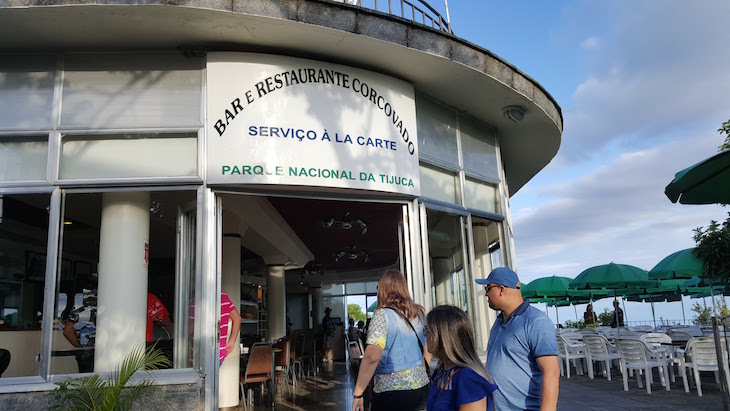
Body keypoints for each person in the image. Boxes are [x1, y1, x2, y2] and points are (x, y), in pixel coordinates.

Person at [475, 267, 559, 411]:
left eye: (488, 289)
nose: (485, 294)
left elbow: (551, 372)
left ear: (501, 289)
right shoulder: (499, 322)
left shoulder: (536, 321)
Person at [352, 269, 430, 411]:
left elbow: (371, 357)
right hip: (422, 387)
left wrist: (358, 393)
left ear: (382, 290)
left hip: (392, 391)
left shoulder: (383, 315)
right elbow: (428, 348)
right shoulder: (419, 313)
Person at [425, 305, 498, 411]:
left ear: (442, 336)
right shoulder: (442, 370)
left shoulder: (468, 379)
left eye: (427, 329)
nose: (425, 334)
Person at [61, 288, 97, 372]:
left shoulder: (77, 312)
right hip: (103, 351)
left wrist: (80, 348)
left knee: (86, 379)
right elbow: (67, 332)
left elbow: (67, 332)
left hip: (85, 353)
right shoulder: (107, 311)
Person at [219, 292, 241, 365]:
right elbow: (237, 318)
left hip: (197, 355)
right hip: (219, 353)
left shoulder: (197, 296)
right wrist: (231, 342)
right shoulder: (222, 296)